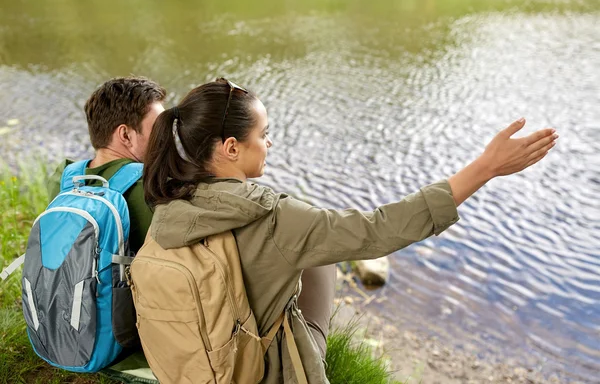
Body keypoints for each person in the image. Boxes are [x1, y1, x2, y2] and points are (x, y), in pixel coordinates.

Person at [141, 78, 558, 383]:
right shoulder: (273, 219)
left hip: (191, 366)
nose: (269, 145)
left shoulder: (168, 206)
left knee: (316, 251)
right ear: (231, 148)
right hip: (256, 373)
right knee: (324, 257)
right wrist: (485, 168)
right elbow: (380, 230)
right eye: (264, 136)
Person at [47, 76, 166, 254]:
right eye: (158, 129)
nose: (165, 138)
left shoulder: (63, 179)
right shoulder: (150, 188)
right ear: (125, 135)